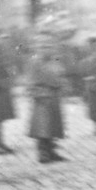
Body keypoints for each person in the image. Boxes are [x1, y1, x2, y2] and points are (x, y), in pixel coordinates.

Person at [27, 34, 68, 163]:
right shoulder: (35, 62)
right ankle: (43, 153)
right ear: (39, 48)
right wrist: (37, 93)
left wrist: (61, 84)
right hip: (42, 98)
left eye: (49, 47)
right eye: (43, 47)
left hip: (54, 97)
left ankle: (52, 151)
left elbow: (61, 75)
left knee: (53, 126)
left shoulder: (55, 61)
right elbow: (30, 82)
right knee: (42, 128)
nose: (47, 49)